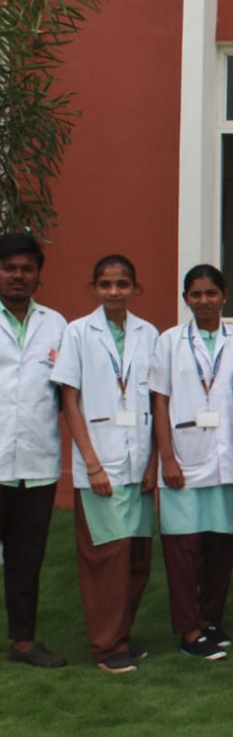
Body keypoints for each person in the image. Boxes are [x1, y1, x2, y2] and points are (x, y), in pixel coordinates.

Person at [51, 254, 158, 674]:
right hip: (101, 464)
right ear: (93, 288)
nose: (114, 291)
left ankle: (122, 638)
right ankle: (105, 647)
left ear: (136, 288)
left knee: (136, 559)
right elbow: (70, 401)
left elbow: (156, 401)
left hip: (138, 462)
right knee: (105, 559)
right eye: (106, 284)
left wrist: (153, 463)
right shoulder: (78, 332)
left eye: (122, 284)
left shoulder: (148, 333)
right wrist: (92, 465)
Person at [150, 264, 233, 659]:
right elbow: (160, 401)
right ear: (185, 298)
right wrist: (167, 458)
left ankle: (210, 620)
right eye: (196, 294)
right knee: (183, 550)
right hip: (184, 461)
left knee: (220, 547)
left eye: (211, 293)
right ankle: (189, 632)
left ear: (225, 296)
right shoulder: (169, 341)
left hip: (226, 460)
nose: (204, 301)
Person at [0, 234, 67, 668]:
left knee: (26, 559)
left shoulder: (56, 325)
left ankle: (23, 642)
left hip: (37, 464)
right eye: (9, 268)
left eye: (26, 268)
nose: (18, 276)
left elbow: (65, 394)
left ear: (38, 274)